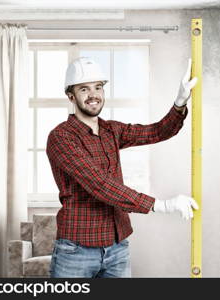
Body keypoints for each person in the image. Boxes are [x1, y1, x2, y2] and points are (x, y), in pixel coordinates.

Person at [46, 57, 199, 278]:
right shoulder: (61, 137)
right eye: (84, 89)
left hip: (117, 247)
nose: (93, 95)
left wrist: (180, 102)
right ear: (71, 96)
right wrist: (160, 205)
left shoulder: (111, 130)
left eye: (98, 87)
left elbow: (157, 131)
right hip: (77, 250)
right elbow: (99, 184)